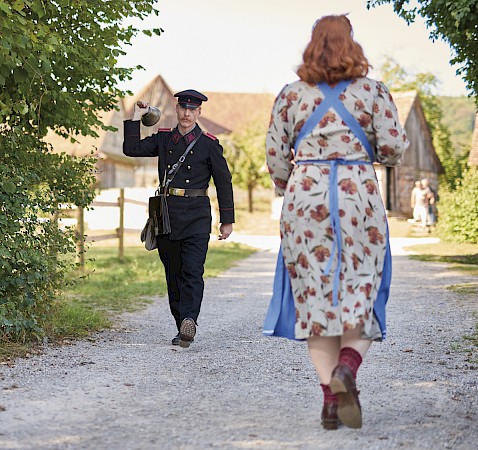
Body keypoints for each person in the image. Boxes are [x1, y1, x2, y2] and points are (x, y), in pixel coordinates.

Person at [262, 15, 409, 430]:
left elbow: (274, 156)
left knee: (315, 301)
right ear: (351, 45)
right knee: (363, 291)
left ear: (312, 45)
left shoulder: (291, 96)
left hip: (305, 199)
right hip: (358, 195)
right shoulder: (375, 92)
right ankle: (348, 367)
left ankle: (330, 399)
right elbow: (394, 148)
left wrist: (294, 185)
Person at [123, 90, 235, 348]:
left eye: (191, 110)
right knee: (173, 275)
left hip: (196, 216)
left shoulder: (209, 144)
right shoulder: (164, 139)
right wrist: (135, 117)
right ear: (177, 109)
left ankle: (190, 319)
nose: (186, 113)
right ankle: (181, 327)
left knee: (193, 271)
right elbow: (131, 149)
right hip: (167, 217)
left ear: (198, 113)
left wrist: (226, 219)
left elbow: (223, 182)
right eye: (183, 108)